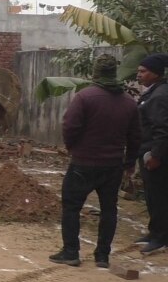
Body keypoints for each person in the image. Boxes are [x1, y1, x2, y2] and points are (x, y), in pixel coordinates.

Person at [50, 54, 141, 268]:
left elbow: (70, 126)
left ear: (96, 73)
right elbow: (135, 136)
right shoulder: (128, 102)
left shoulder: (85, 97)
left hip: (84, 162)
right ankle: (102, 256)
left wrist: (72, 147)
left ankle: (71, 252)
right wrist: (129, 163)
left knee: (72, 206)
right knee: (109, 209)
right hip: (113, 166)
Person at [134, 53, 168, 255]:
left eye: (143, 71)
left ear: (155, 73)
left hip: (155, 155)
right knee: (152, 194)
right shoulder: (154, 92)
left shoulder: (160, 96)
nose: (139, 74)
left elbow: (162, 129)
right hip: (148, 150)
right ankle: (154, 231)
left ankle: (159, 237)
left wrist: (155, 156)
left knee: (158, 196)